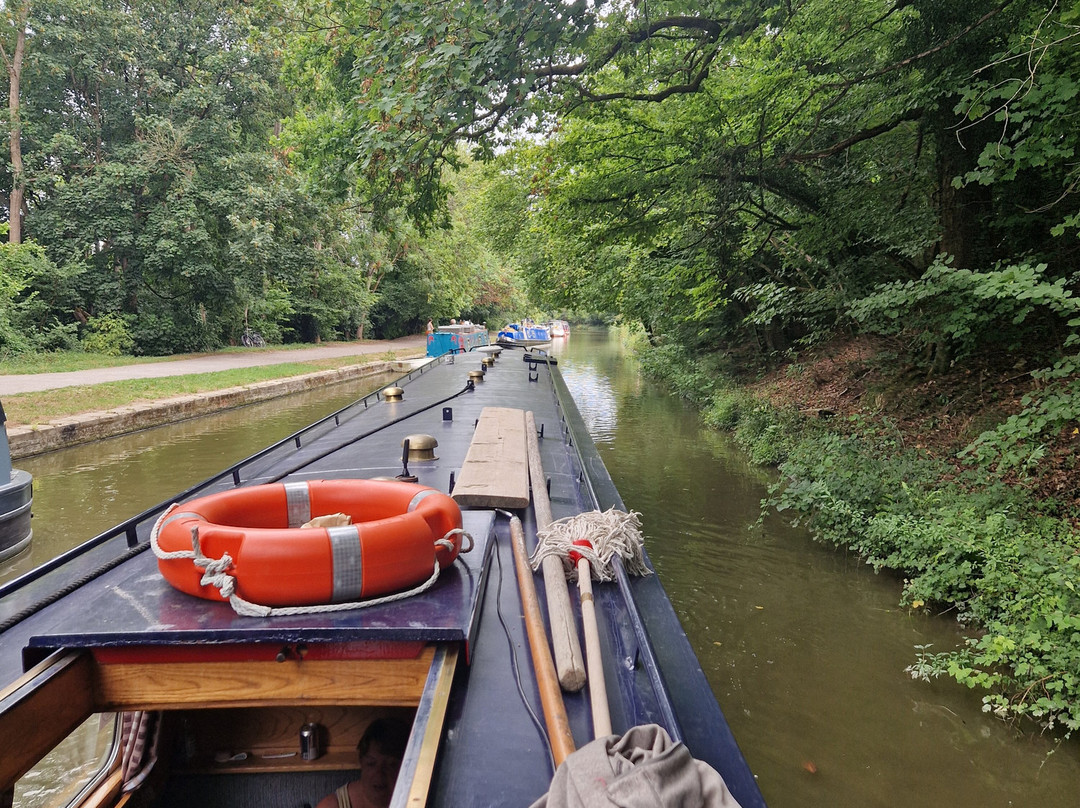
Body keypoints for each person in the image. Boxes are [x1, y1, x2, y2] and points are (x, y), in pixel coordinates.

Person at [315, 718, 410, 808]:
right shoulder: (332, 805)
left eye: (391, 765)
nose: (379, 773)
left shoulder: (416, 799)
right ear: (361, 762)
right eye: (371, 763)